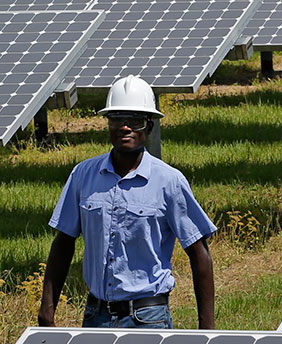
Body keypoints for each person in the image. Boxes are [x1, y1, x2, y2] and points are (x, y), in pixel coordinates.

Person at [38, 75, 216, 329]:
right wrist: (47, 309)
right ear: (108, 124)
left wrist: (206, 330)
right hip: (95, 315)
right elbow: (63, 243)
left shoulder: (169, 182)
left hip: (148, 317)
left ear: (150, 126)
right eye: (117, 119)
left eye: (136, 121)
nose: (125, 127)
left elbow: (199, 254)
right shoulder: (83, 175)